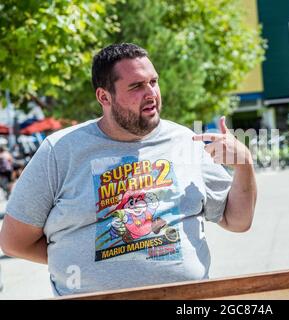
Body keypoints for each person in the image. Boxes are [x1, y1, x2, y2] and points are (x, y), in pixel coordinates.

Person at [0, 43, 257, 296]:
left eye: (153, 82)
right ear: (104, 97)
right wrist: (74, 261)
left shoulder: (185, 142)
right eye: (136, 86)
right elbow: (14, 241)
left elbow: (238, 220)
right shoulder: (60, 151)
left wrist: (244, 164)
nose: (151, 93)